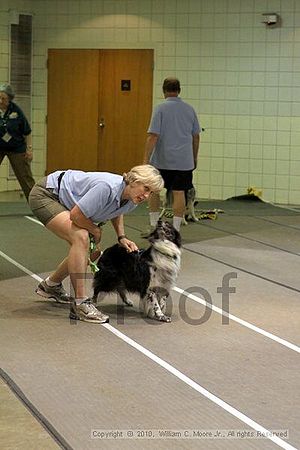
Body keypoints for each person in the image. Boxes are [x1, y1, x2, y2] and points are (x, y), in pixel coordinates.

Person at [28, 165, 164, 324]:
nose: (146, 195)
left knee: (93, 254)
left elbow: (117, 210)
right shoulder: (106, 187)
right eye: (146, 188)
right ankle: (80, 303)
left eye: (151, 192)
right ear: (134, 180)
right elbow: (76, 215)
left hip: (68, 201)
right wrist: (95, 230)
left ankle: (51, 285)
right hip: (47, 194)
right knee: (81, 236)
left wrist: (122, 237)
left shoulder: (132, 198)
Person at [143, 77, 201, 232]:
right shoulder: (190, 109)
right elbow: (196, 136)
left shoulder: (160, 109)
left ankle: (154, 226)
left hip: (162, 160)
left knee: (154, 190)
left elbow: (153, 135)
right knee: (179, 192)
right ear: (179, 90)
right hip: (183, 161)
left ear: (164, 91)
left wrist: (145, 160)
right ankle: (175, 229)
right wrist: (194, 157)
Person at [0, 83, 35, 200]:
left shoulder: (16, 111)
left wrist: (29, 149)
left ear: (9, 99)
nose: (0, 101)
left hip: (16, 148)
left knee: (25, 177)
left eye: (3, 98)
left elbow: (27, 131)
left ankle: (36, 202)